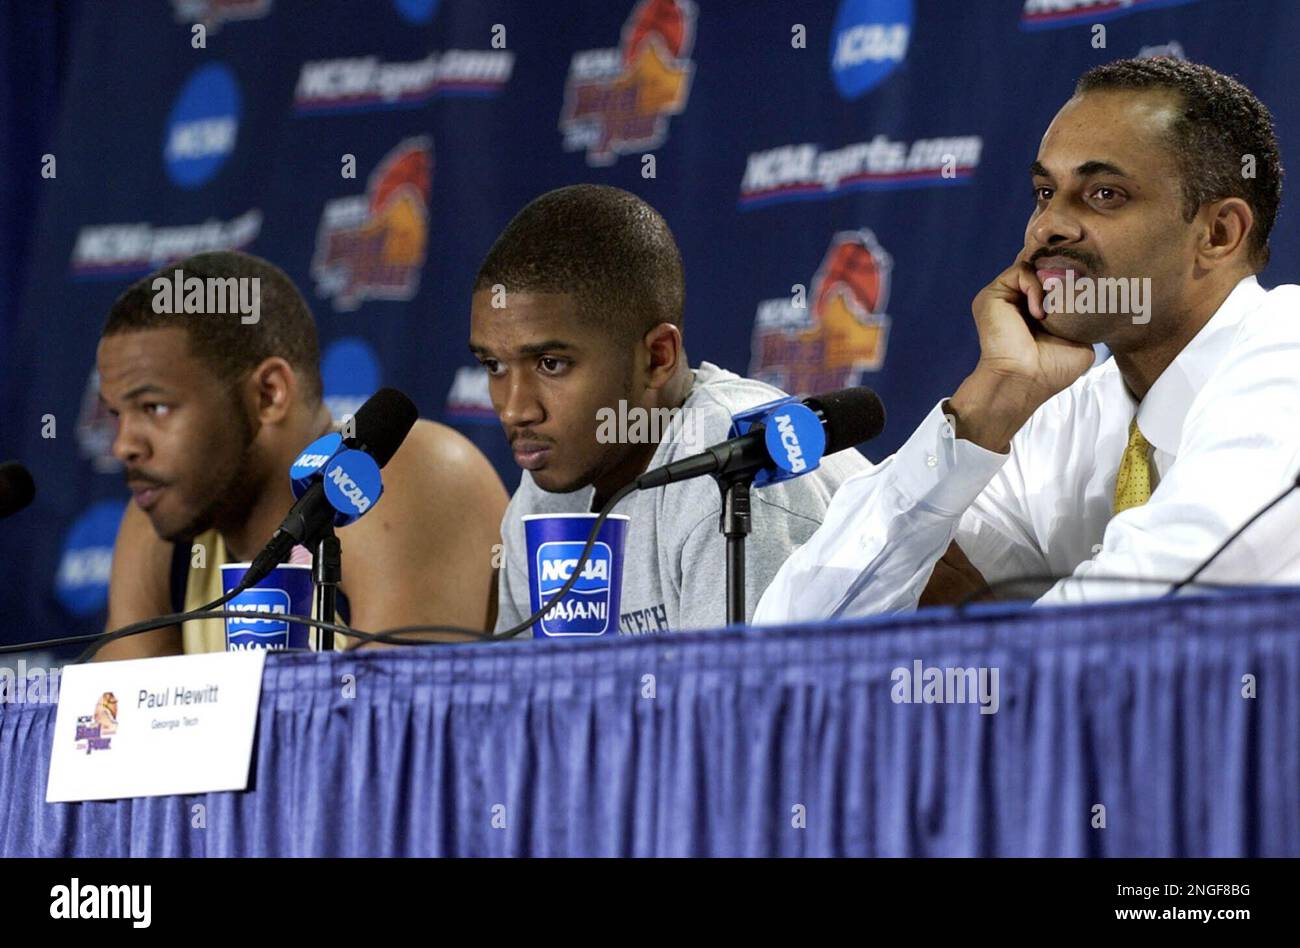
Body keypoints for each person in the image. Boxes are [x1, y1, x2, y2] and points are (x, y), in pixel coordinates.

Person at [755, 57, 1299, 623]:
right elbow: (798, 631)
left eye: (1105, 194)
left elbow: (1144, 620)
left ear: (1218, 233)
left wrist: (982, 640)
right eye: (1044, 192)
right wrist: (990, 400)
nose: (1046, 227)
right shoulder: (1062, 416)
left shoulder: (1288, 352)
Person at [469, 184, 871, 635]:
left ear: (657, 357)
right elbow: (528, 699)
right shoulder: (545, 495)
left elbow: (743, 704)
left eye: (551, 364)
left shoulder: (738, 466)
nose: (514, 409)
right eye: (494, 365)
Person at [96, 250, 507, 658]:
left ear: (268, 394)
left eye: (155, 407)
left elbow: (396, 719)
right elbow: (112, 718)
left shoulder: (390, 479)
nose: (123, 446)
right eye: (116, 414)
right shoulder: (169, 517)